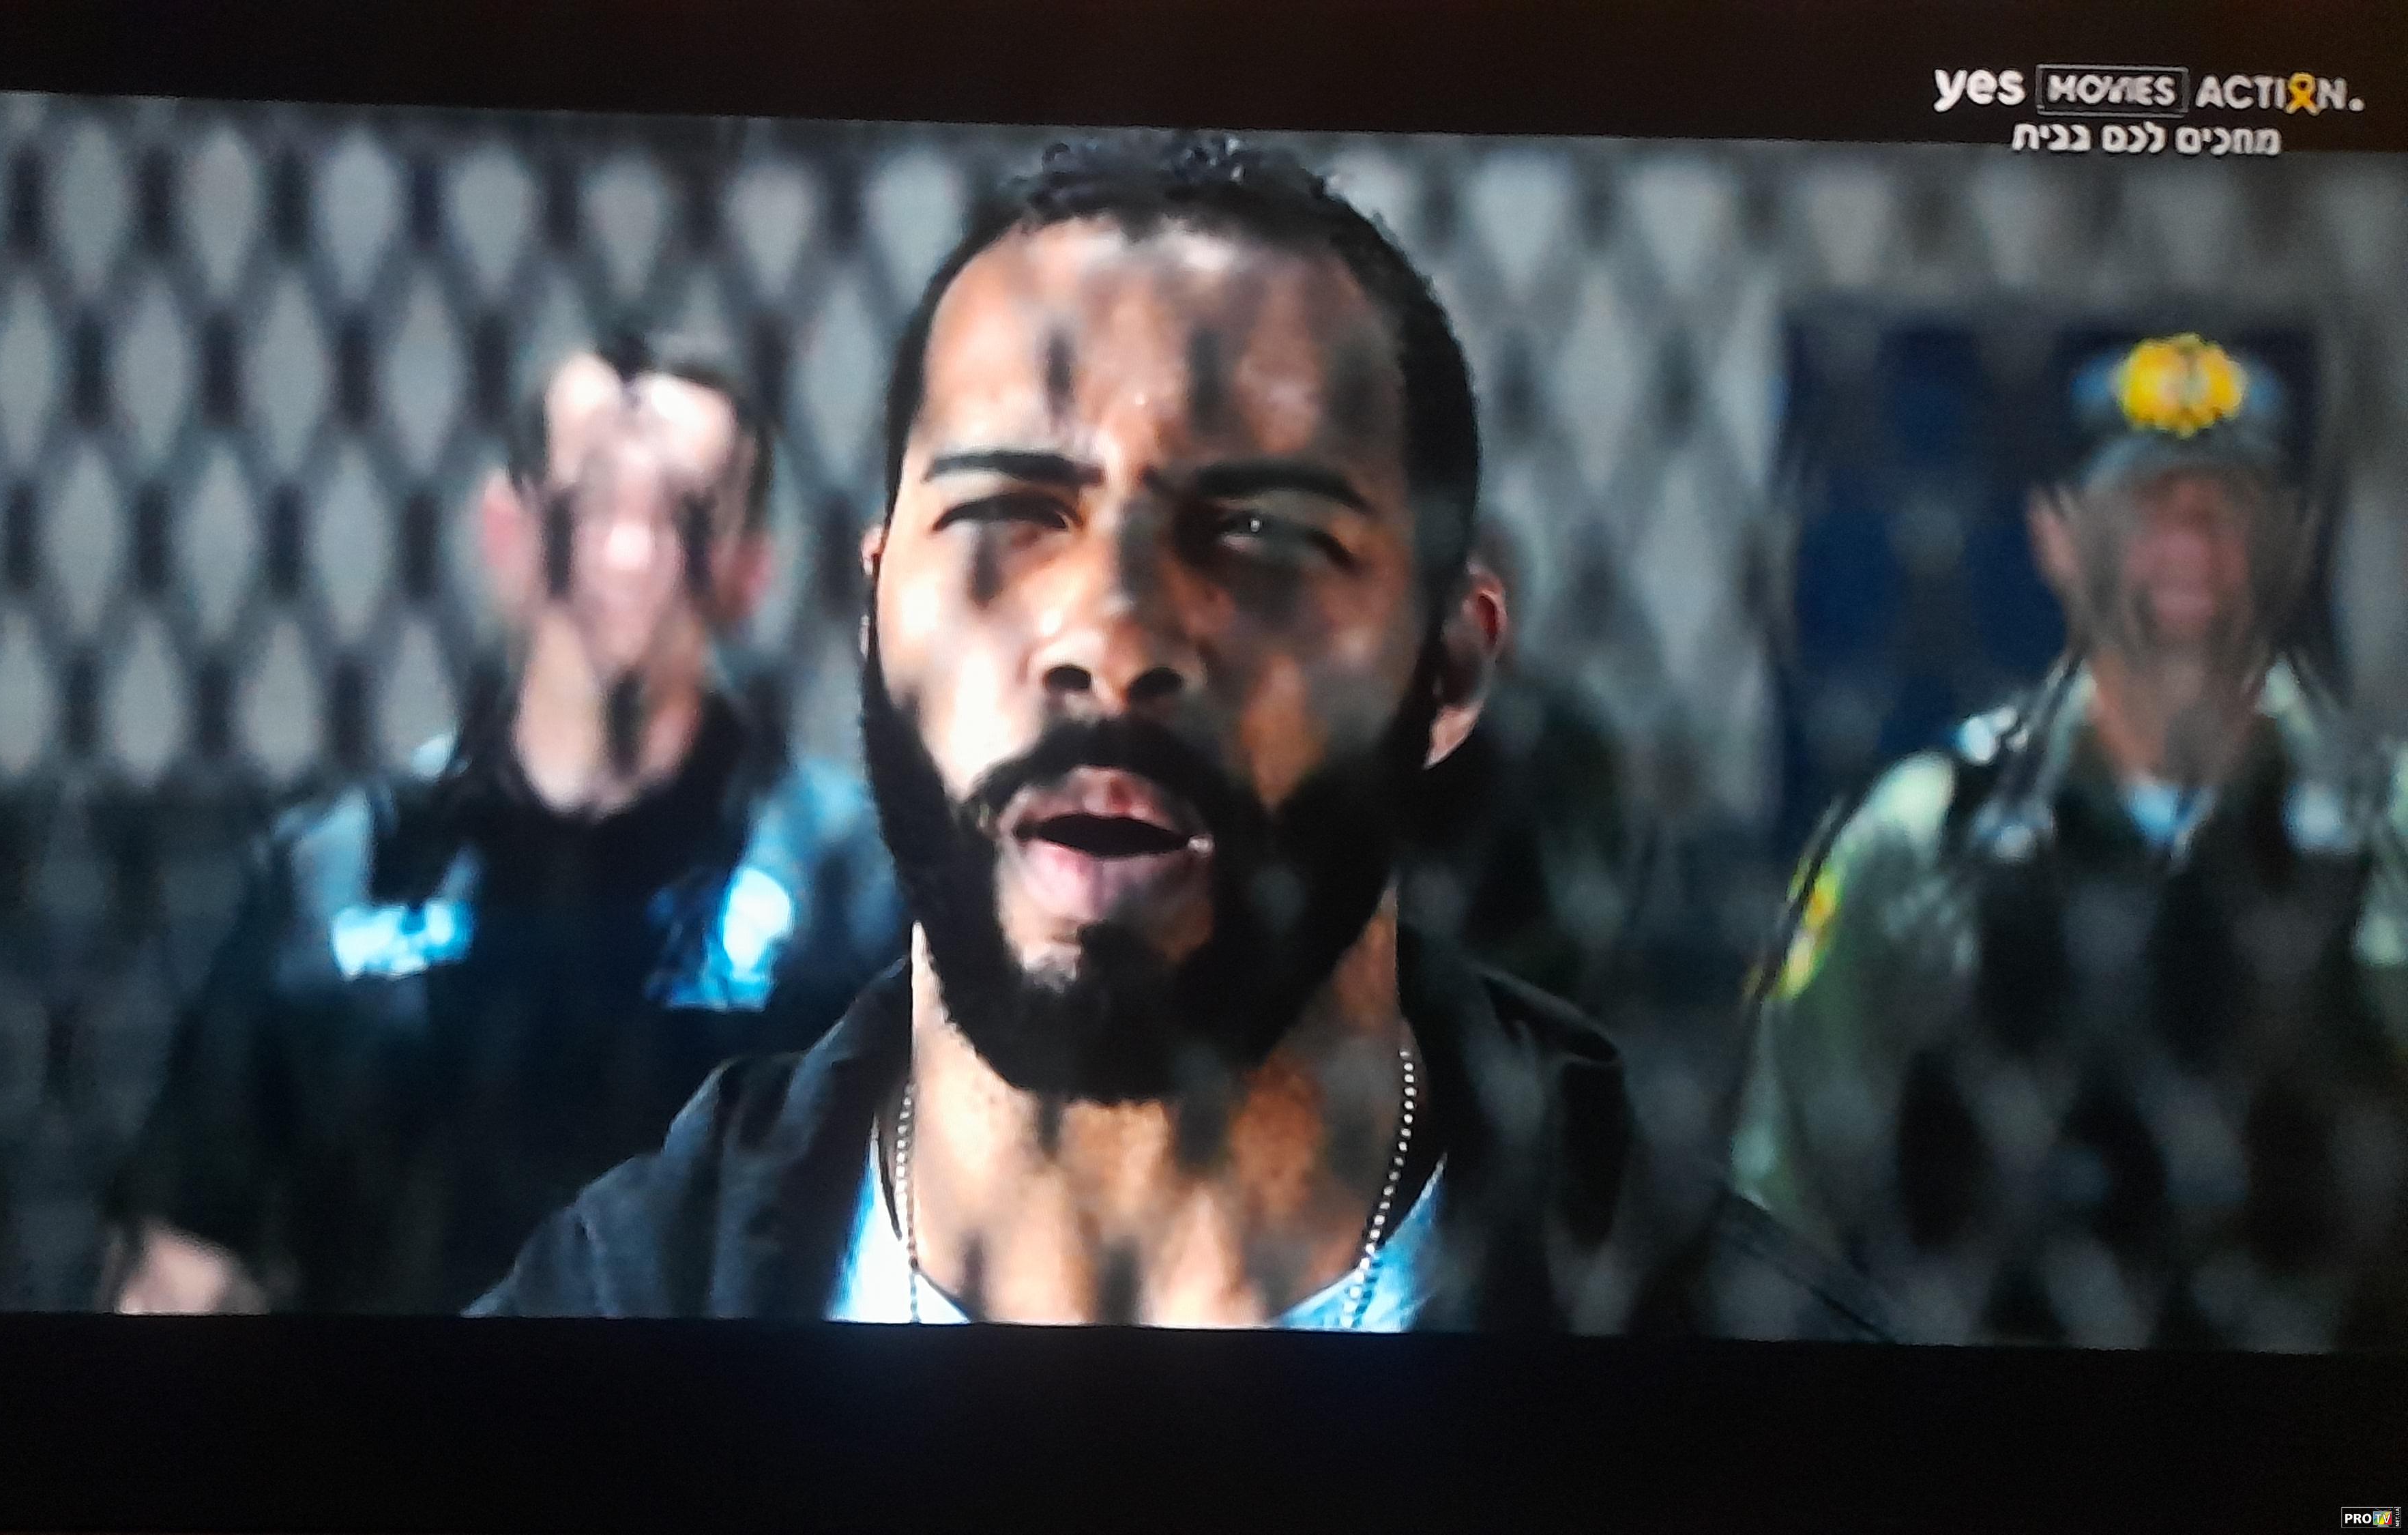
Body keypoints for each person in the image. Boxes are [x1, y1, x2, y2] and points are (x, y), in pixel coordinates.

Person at [472, 132, 1881, 1335]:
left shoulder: (1746, 1360)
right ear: (873, 612)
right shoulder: (611, 1308)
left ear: (1446, 667)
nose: (1111, 634)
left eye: (1260, 532)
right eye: (1006, 516)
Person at [102, 342, 905, 1314]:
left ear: (749, 571)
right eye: (591, 503)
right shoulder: (336, 878)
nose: (630, 553)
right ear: (508, 529)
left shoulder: (851, 882)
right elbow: (182, 1262)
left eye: (686, 516)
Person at [1731, 333, 2408, 1347]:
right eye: (2144, 504)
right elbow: (1782, 1204)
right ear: (2054, 535)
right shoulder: (1921, 839)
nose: (2189, 540)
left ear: (2299, 540)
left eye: (2229, 504)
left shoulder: (2388, 829)